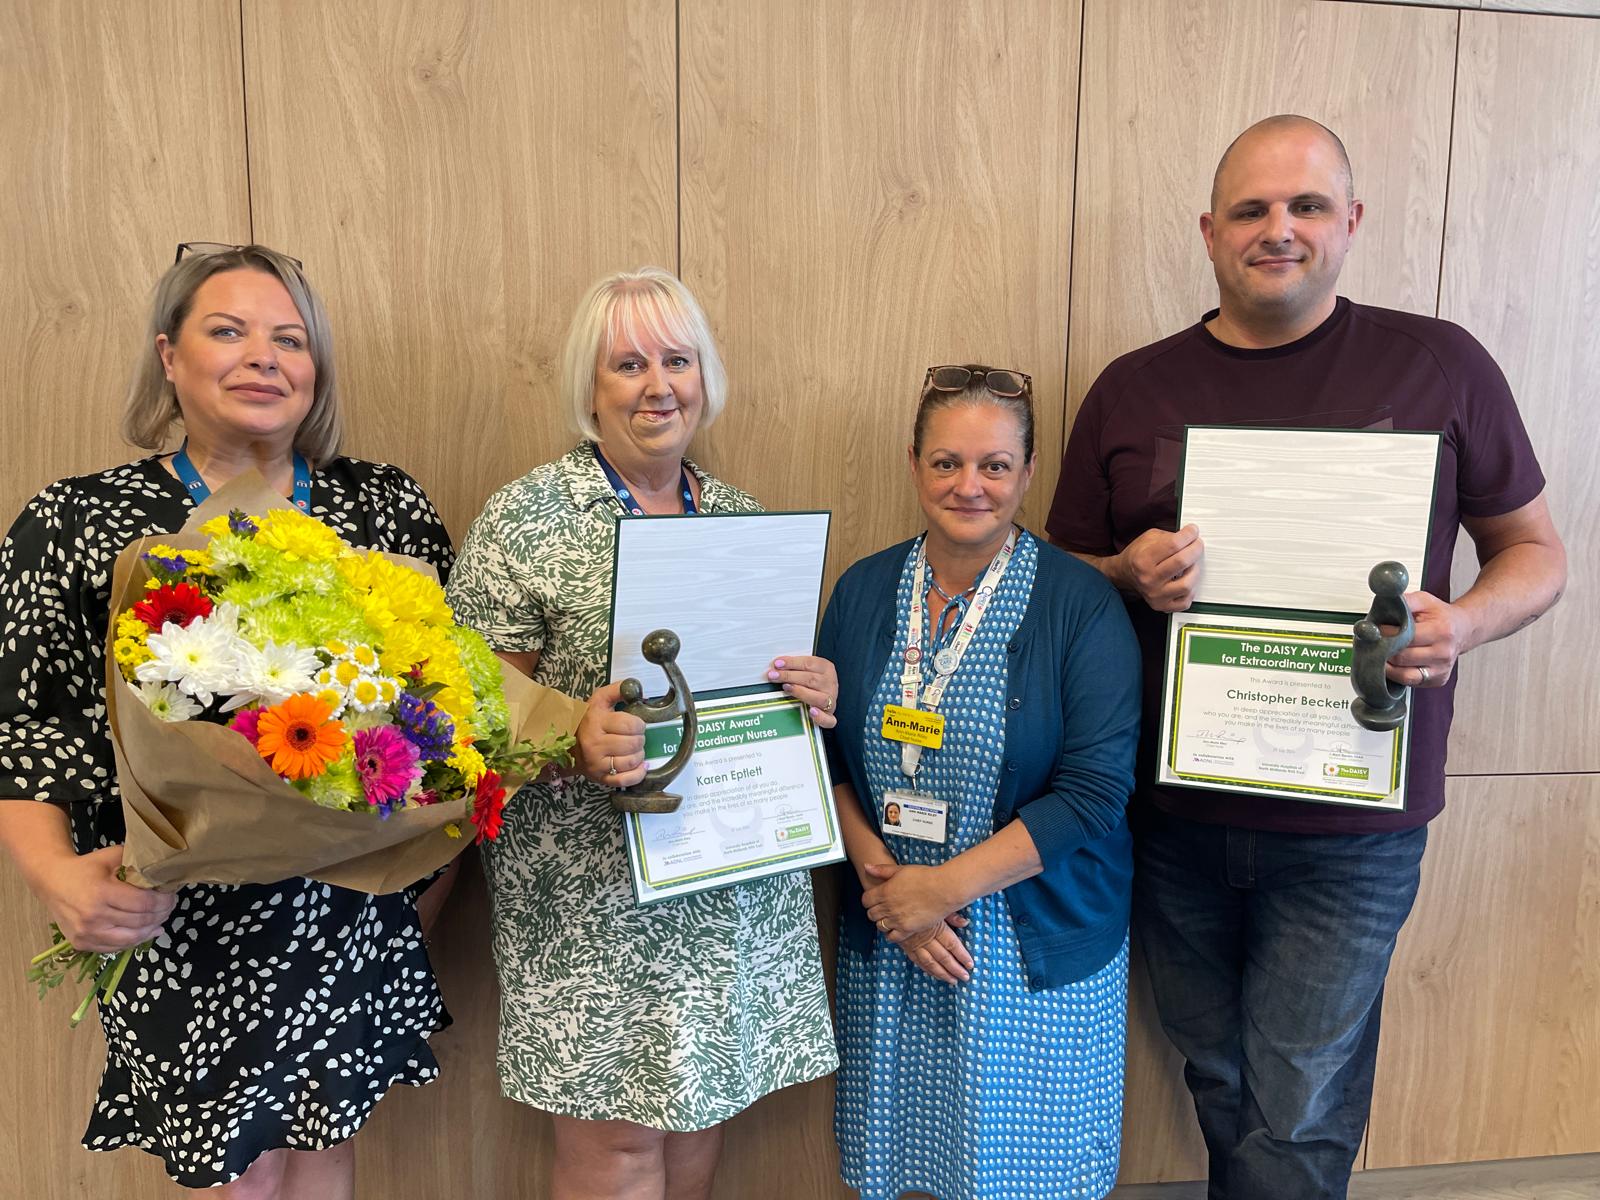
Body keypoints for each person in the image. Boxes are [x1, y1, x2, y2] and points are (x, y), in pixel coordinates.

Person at [1047, 115, 1567, 1200]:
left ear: (1351, 223)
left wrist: (1460, 624)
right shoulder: (1132, 387)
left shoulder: (1440, 365)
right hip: (1172, 811)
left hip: (1352, 825)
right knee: (1220, 1072)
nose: (1277, 229)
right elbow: (1058, 574)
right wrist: (1124, 571)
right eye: (1250, 209)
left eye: (1306, 206)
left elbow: (1535, 553)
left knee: (1299, 1097)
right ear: (1208, 230)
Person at [0, 244, 457, 1197]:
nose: (264, 357)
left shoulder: (381, 508)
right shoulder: (81, 521)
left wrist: (420, 884)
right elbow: (26, 726)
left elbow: (447, 715)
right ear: (169, 357)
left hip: (349, 912)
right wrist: (55, 879)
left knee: (327, 1158)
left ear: (316, 369)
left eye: (290, 339)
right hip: (172, 916)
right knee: (232, 1181)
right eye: (229, 331)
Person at [445, 267, 838, 1200]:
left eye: (677, 359)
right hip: (588, 894)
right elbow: (459, 712)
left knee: (700, 1119)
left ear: (705, 377)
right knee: (617, 1148)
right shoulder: (526, 518)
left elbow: (755, 695)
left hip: (721, 868)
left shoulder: (742, 515)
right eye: (628, 363)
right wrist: (564, 738)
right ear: (590, 388)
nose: (659, 384)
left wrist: (810, 689)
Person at [818, 365, 1142, 1200]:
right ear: (915, 465)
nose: (970, 486)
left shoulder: (1080, 606)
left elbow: (1094, 794)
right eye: (946, 462)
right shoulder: (861, 590)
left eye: (995, 465)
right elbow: (826, 760)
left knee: (1024, 1178)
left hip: (1025, 938)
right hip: (894, 932)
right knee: (908, 1165)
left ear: (1029, 473)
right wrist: (887, 887)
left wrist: (942, 891)